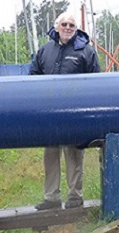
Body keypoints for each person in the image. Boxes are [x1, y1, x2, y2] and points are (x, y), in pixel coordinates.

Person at [29, 12, 100, 210]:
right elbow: (33, 78)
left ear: (76, 29)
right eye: (64, 24)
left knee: (74, 155)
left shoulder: (86, 51)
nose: (68, 27)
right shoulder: (44, 51)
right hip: (50, 114)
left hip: (76, 114)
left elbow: (98, 83)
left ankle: (75, 196)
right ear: (57, 27)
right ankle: (51, 198)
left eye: (71, 25)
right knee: (50, 155)